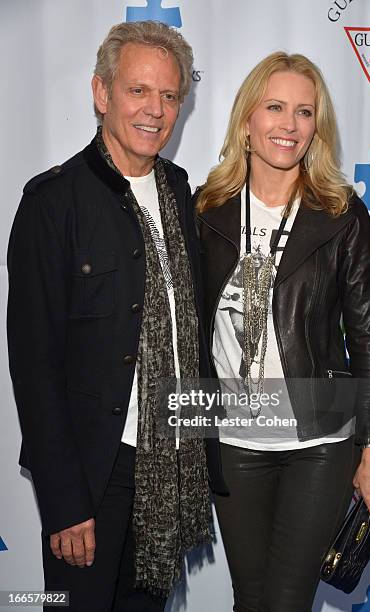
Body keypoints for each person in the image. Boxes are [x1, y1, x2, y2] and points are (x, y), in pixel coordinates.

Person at [7, 21, 225, 612]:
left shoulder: (181, 191)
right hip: (91, 476)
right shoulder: (52, 203)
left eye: (170, 95)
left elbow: (192, 334)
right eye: (138, 91)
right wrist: (65, 501)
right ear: (102, 94)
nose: (155, 110)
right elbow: (34, 366)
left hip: (170, 465)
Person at [196, 52, 370, 612]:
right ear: (247, 121)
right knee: (251, 600)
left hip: (319, 445)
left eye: (304, 112)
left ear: (316, 128)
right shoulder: (207, 211)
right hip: (234, 446)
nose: (289, 124)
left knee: (284, 603)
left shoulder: (341, 215)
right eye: (275, 107)